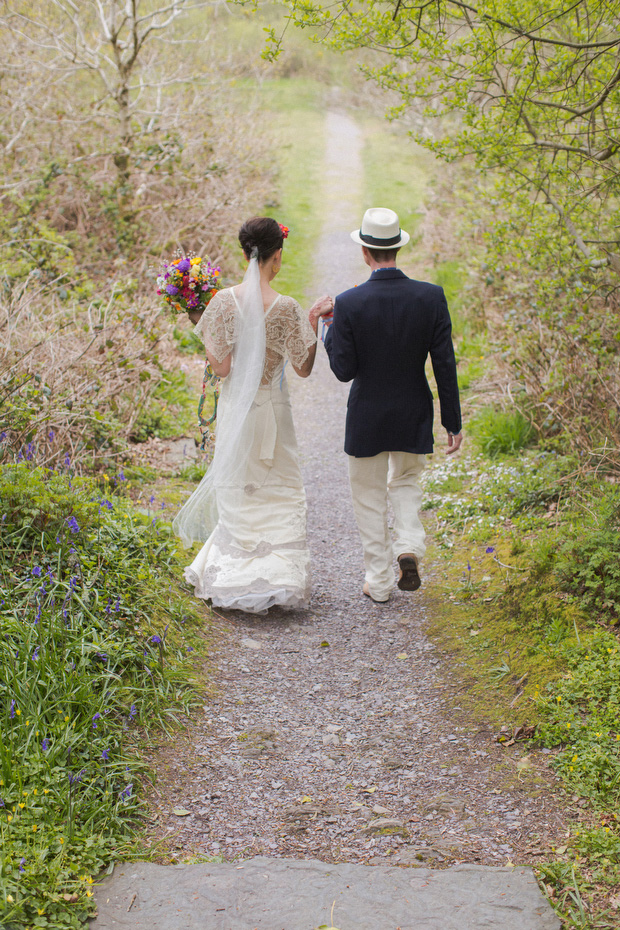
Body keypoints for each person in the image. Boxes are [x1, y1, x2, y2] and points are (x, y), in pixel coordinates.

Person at [173, 217, 333, 613]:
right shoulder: (289, 308)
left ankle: (233, 572)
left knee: (238, 483)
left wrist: (204, 328)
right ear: (276, 257)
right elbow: (303, 368)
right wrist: (311, 322)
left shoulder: (223, 303)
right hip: (274, 410)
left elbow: (223, 368)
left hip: (237, 411)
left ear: (244, 253)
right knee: (279, 485)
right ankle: (281, 576)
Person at [324, 207, 463, 603]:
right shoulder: (430, 297)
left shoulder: (348, 303)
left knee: (368, 497)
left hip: (366, 415)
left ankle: (380, 584)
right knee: (405, 483)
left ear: (365, 252)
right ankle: (409, 547)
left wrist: (328, 328)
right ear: (396, 248)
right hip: (412, 410)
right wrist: (452, 422)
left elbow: (343, 370)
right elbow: (445, 364)